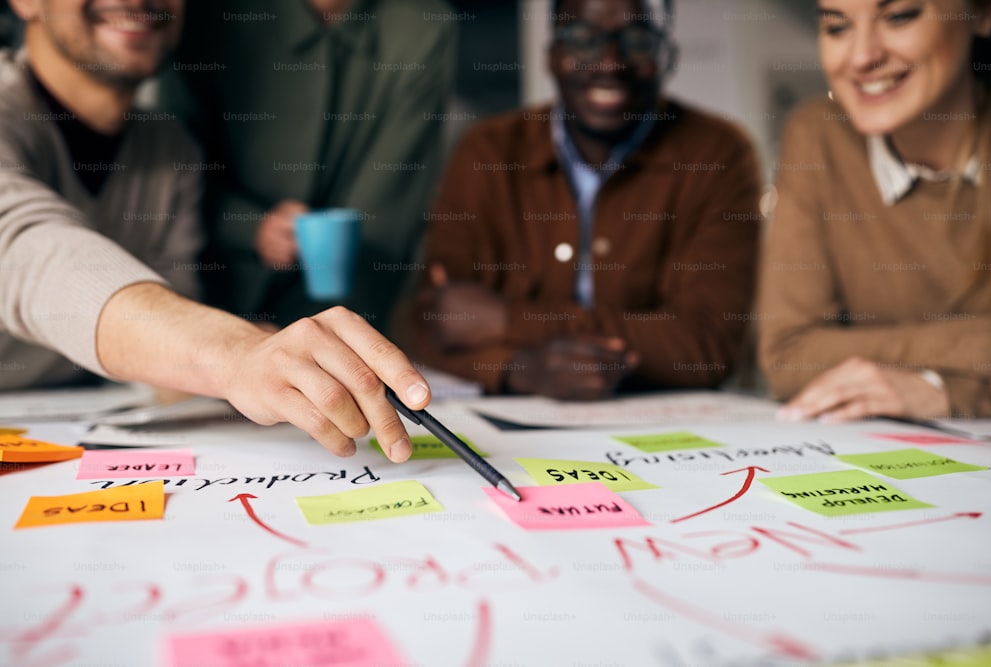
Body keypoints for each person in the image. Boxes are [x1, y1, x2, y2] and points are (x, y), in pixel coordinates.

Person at [0, 0, 431, 462]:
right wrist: (235, 352)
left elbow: (163, 347)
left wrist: (277, 354)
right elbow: (24, 248)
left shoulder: (170, 151)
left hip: (66, 443)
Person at [405, 0, 762, 401]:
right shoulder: (486, 153)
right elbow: (434, 325)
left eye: (639, 38)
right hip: (513, 420)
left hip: (661, 424)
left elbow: (707, 345)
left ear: (668, 55)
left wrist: (508, 319)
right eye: (581, 37)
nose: (610, 62)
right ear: (551, 55)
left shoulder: (717, 153)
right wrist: (522, 370)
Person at [758, 0, 991, 420]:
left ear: (982, 12)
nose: (862, 56)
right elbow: (789, 355)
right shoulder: (817, 137)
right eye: (836, 27)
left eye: (900, 16)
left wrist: (945, 394)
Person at [162, 0, 455, 331]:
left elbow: (386, 214)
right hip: (206, 303)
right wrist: (250, 226)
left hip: (347, 315)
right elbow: (170, 167)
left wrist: (322, 335)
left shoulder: (421, 27)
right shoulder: (206, 18)